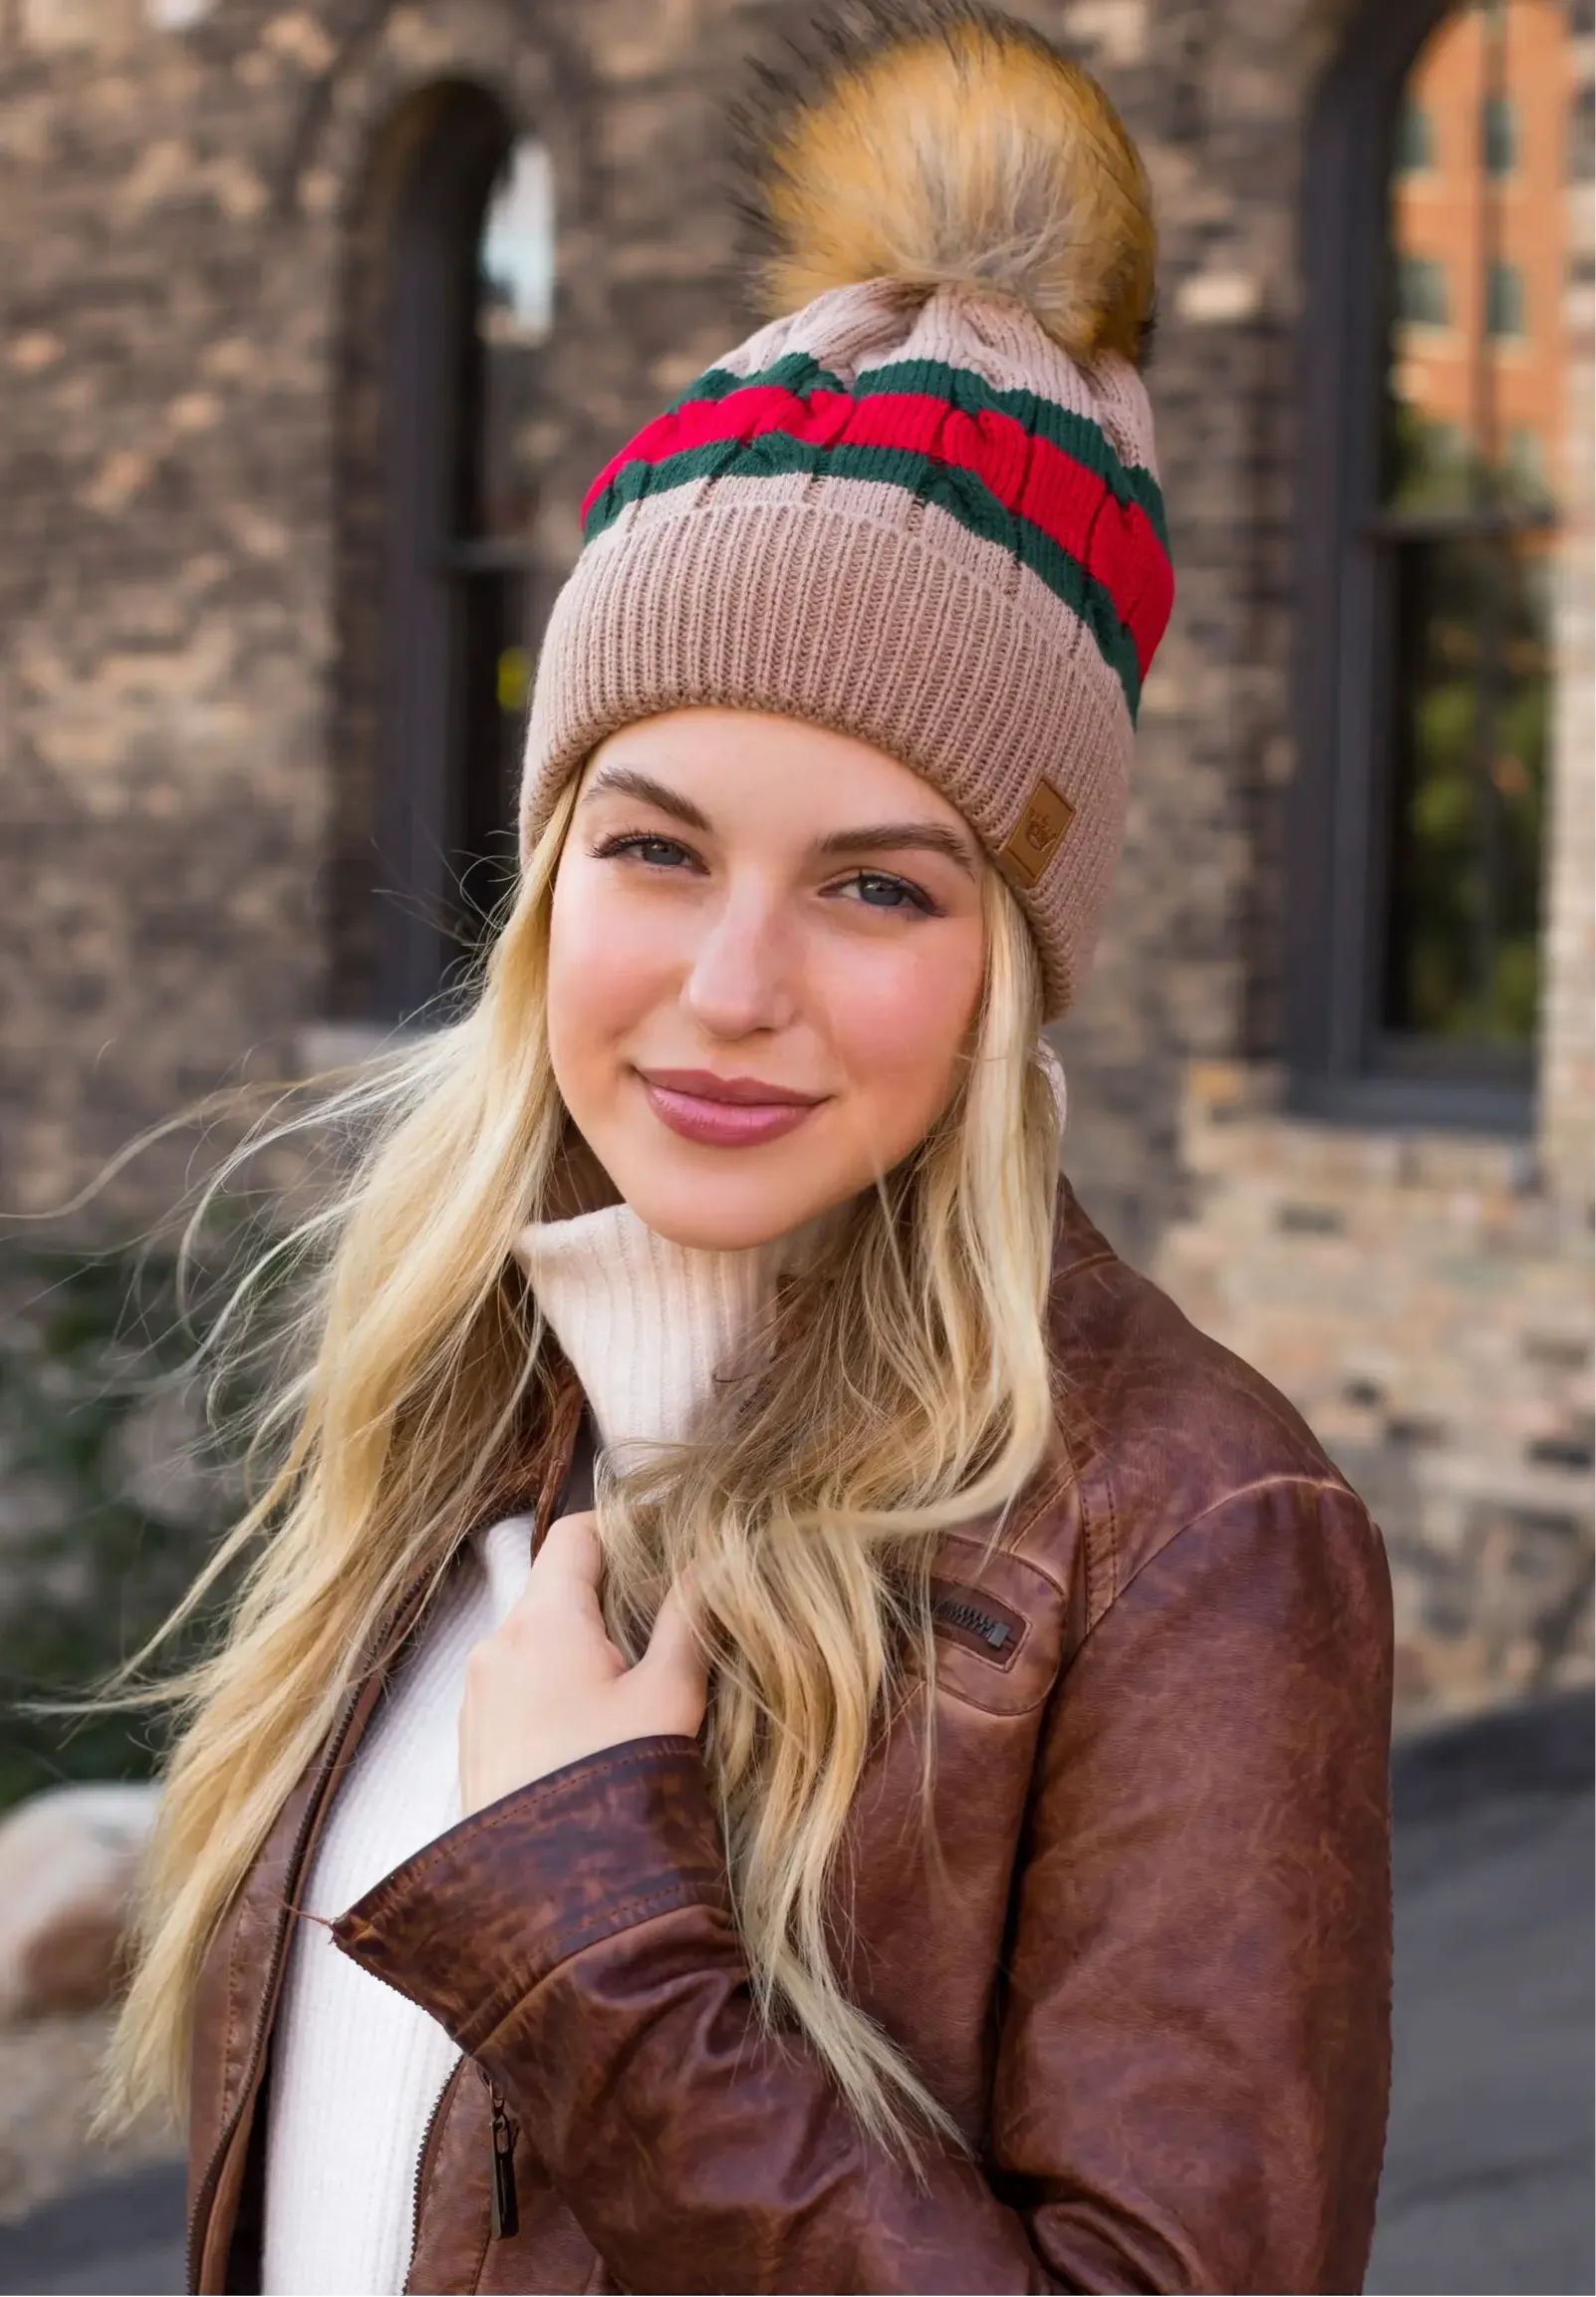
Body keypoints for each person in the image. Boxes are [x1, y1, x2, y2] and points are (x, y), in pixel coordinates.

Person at [108, 10, 1394, 2292]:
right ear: (550, 872)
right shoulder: (468, 1403)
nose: (728, 984)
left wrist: (595, 1924)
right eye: (658, 848)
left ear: (1017, 960)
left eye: (880, 886)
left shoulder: (1195, 1540)